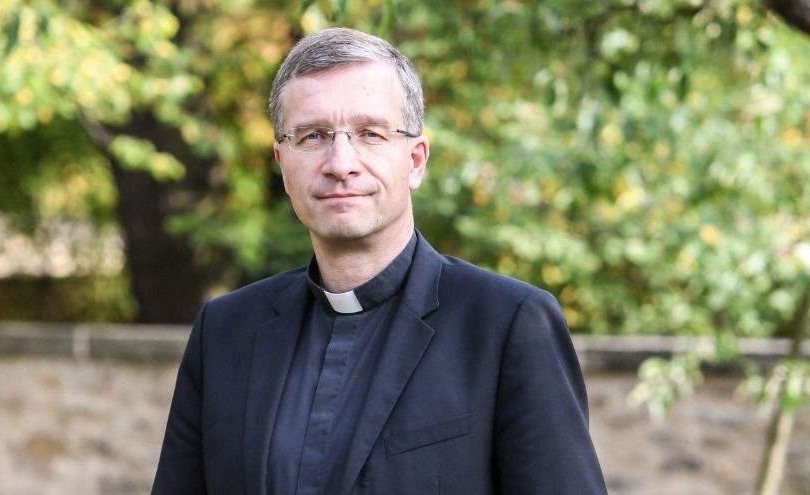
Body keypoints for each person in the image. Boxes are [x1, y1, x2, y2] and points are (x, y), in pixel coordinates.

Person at [150, 27, 605, 494]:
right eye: (312, 136)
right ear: (282, 164)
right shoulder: (225, 332)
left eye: (369, 133)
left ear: (416, 160)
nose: (340, 162)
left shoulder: (505, 325)